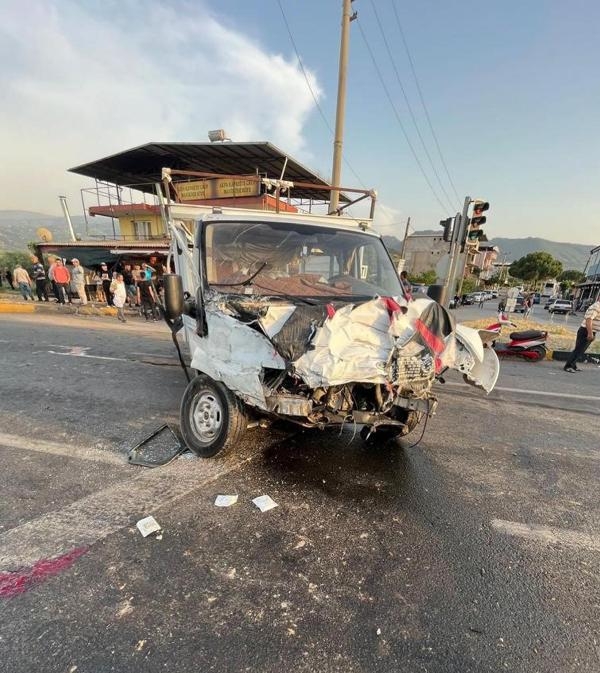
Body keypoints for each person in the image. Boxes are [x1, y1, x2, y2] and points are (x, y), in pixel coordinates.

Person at [563, 299, 600, 373]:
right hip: (586, 331)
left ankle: (573, 365)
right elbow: (589, 320)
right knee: (578, 350)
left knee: (581, 350)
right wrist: (590, 333)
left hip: (590, 331)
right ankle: (568, 366)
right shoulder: (596, 306)